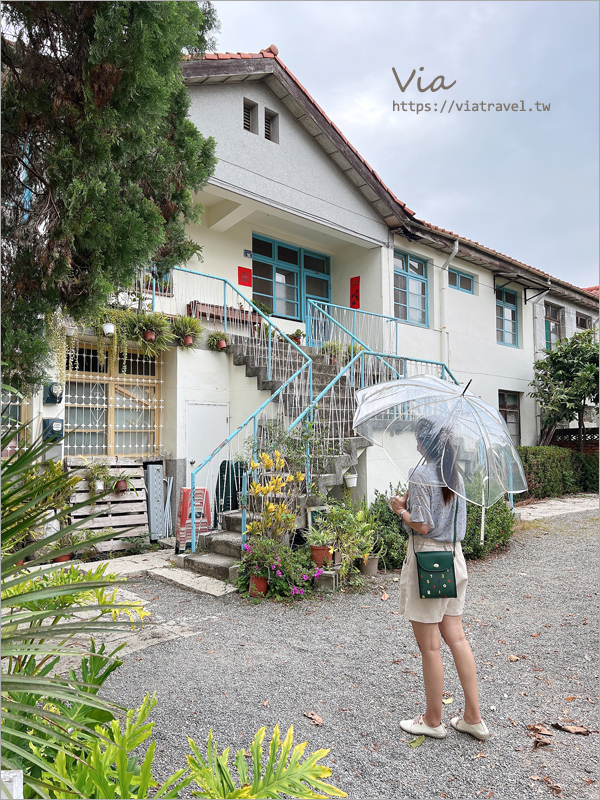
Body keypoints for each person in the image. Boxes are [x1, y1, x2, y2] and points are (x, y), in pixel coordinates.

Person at [391, 416, 490, 741]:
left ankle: (433, 720)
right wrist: (413, 503)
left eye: (418, 439)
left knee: (430, 647)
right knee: (456, 637)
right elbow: (438, 514)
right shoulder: (452, 473)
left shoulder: (420, 472)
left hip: (429, 561)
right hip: (454, 558)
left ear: (424, 444)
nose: (415, 444)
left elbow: (422, 525)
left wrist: (400, 510)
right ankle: (472, 717)